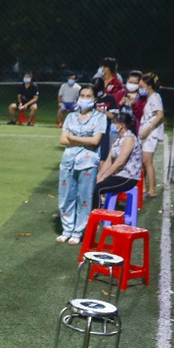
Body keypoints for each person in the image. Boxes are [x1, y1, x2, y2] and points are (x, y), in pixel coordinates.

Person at [55, 85, 107, 244]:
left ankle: (78, 231)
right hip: (68, 161)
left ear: (95, 99)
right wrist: (85, 140)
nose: (84, 99)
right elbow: (63, 140)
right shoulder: (71, 117)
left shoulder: (100, 118)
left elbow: (95, 141)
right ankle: (67, 229)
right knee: (66, 196)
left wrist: (73, 138)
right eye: (82, 95)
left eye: (88, 96)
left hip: (88, 163)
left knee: (84, 197)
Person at [93, 112, 143, 209]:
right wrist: (98, 176)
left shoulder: (129, 138)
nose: (112, 125)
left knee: (98, 188)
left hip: (128, 177)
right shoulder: (118, 139)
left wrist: (104, 177)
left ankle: (95, 216)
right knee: (92, 184)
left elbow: (120, 162)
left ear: (121, 125)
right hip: (118, 175)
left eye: (114, 123)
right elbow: (109, 161)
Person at [139, 72, 164, 199]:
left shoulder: (155, 97)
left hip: (151, 134)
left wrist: (148, 130)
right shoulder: (149, 98)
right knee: (143, 161)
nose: (140, 89)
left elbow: (160, 115)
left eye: (141, 86)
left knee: (147, 161)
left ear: (148, 86)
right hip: (146, 134)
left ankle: (152, 190)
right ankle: (143, 188)